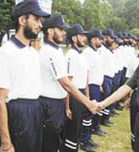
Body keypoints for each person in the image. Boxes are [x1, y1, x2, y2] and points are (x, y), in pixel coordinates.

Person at [0, 0, 50, 152]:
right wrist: (6, 142)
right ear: (22, 20)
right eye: (36, 19)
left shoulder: (32, 52)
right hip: (19, 114)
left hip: (34, 110)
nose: (40, 25)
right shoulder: (8, 52)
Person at [39, 18, 100, 152]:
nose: (64, 33)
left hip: (59, 101)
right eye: (60, 29)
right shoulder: (50, 51)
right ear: (49, 31)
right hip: (50, 103)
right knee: (51, 142)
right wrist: (87, 103)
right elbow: (66, 83)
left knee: (58, 138)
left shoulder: (56, 50)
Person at [60, 24, 94, 152]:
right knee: (72, 131)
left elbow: (84, 76)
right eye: (81, 35)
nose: (84, 38)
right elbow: (68, 83)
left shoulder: (80, 55)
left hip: (81, 96)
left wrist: (87, 95)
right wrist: (67, 106)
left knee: (78, 128)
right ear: (74, 38)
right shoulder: (71, 55)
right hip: (73, 96)